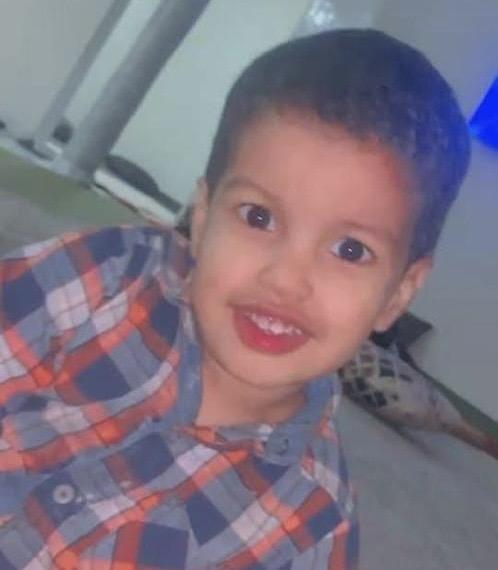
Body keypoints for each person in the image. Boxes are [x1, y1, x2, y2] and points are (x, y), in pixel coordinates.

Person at [0, 28, 469, 569]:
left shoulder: (310, 530)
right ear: (202, 218)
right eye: (259, 217)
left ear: (398, 295)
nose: (285, 279)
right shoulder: (107, 274)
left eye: (349, 249)